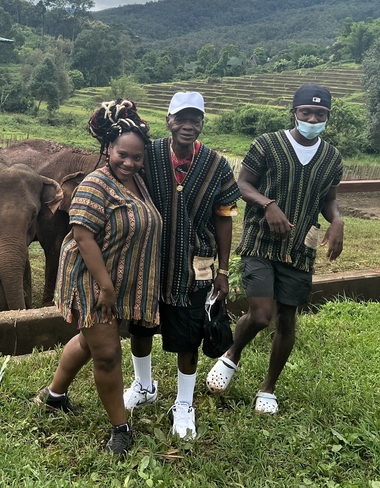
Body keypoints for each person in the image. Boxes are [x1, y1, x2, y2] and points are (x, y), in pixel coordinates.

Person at [206, 84, 344, 415]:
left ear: (327, 117)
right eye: (306, 112)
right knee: (261, 313)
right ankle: (232, 354)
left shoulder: (332, 158)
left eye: (320, 114)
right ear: (294, 113)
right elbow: (242, 184)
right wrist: (267, 204)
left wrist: (337, 221)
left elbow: (328, 200)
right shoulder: (267, 144)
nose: (312, 118)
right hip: (260, 242)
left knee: (287, 318)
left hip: (300, 248)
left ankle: (268, 387)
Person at [35, 99, 161, 458]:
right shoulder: (95, 184)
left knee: (89, 342)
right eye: (123, 154)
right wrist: (105, 286)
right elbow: (83, 236)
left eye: (137, 157)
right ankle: (120, 429)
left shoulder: (137, 182)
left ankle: (53, 397)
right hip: (93, 281)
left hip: (116, 281)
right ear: (108, 149)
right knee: (106, 354)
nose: (130, 162)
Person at [123, 91, 241, 440]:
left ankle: (184, 404)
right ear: (169, 121)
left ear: (202, 124)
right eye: (181, 118)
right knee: (141, 327)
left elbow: (224, 218)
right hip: (149, 260)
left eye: (195, 120)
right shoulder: (150, 154)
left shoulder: (217, 165)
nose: (188, 125)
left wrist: (223, 270)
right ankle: (144, 387)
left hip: (194, 266)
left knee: (189, 336)